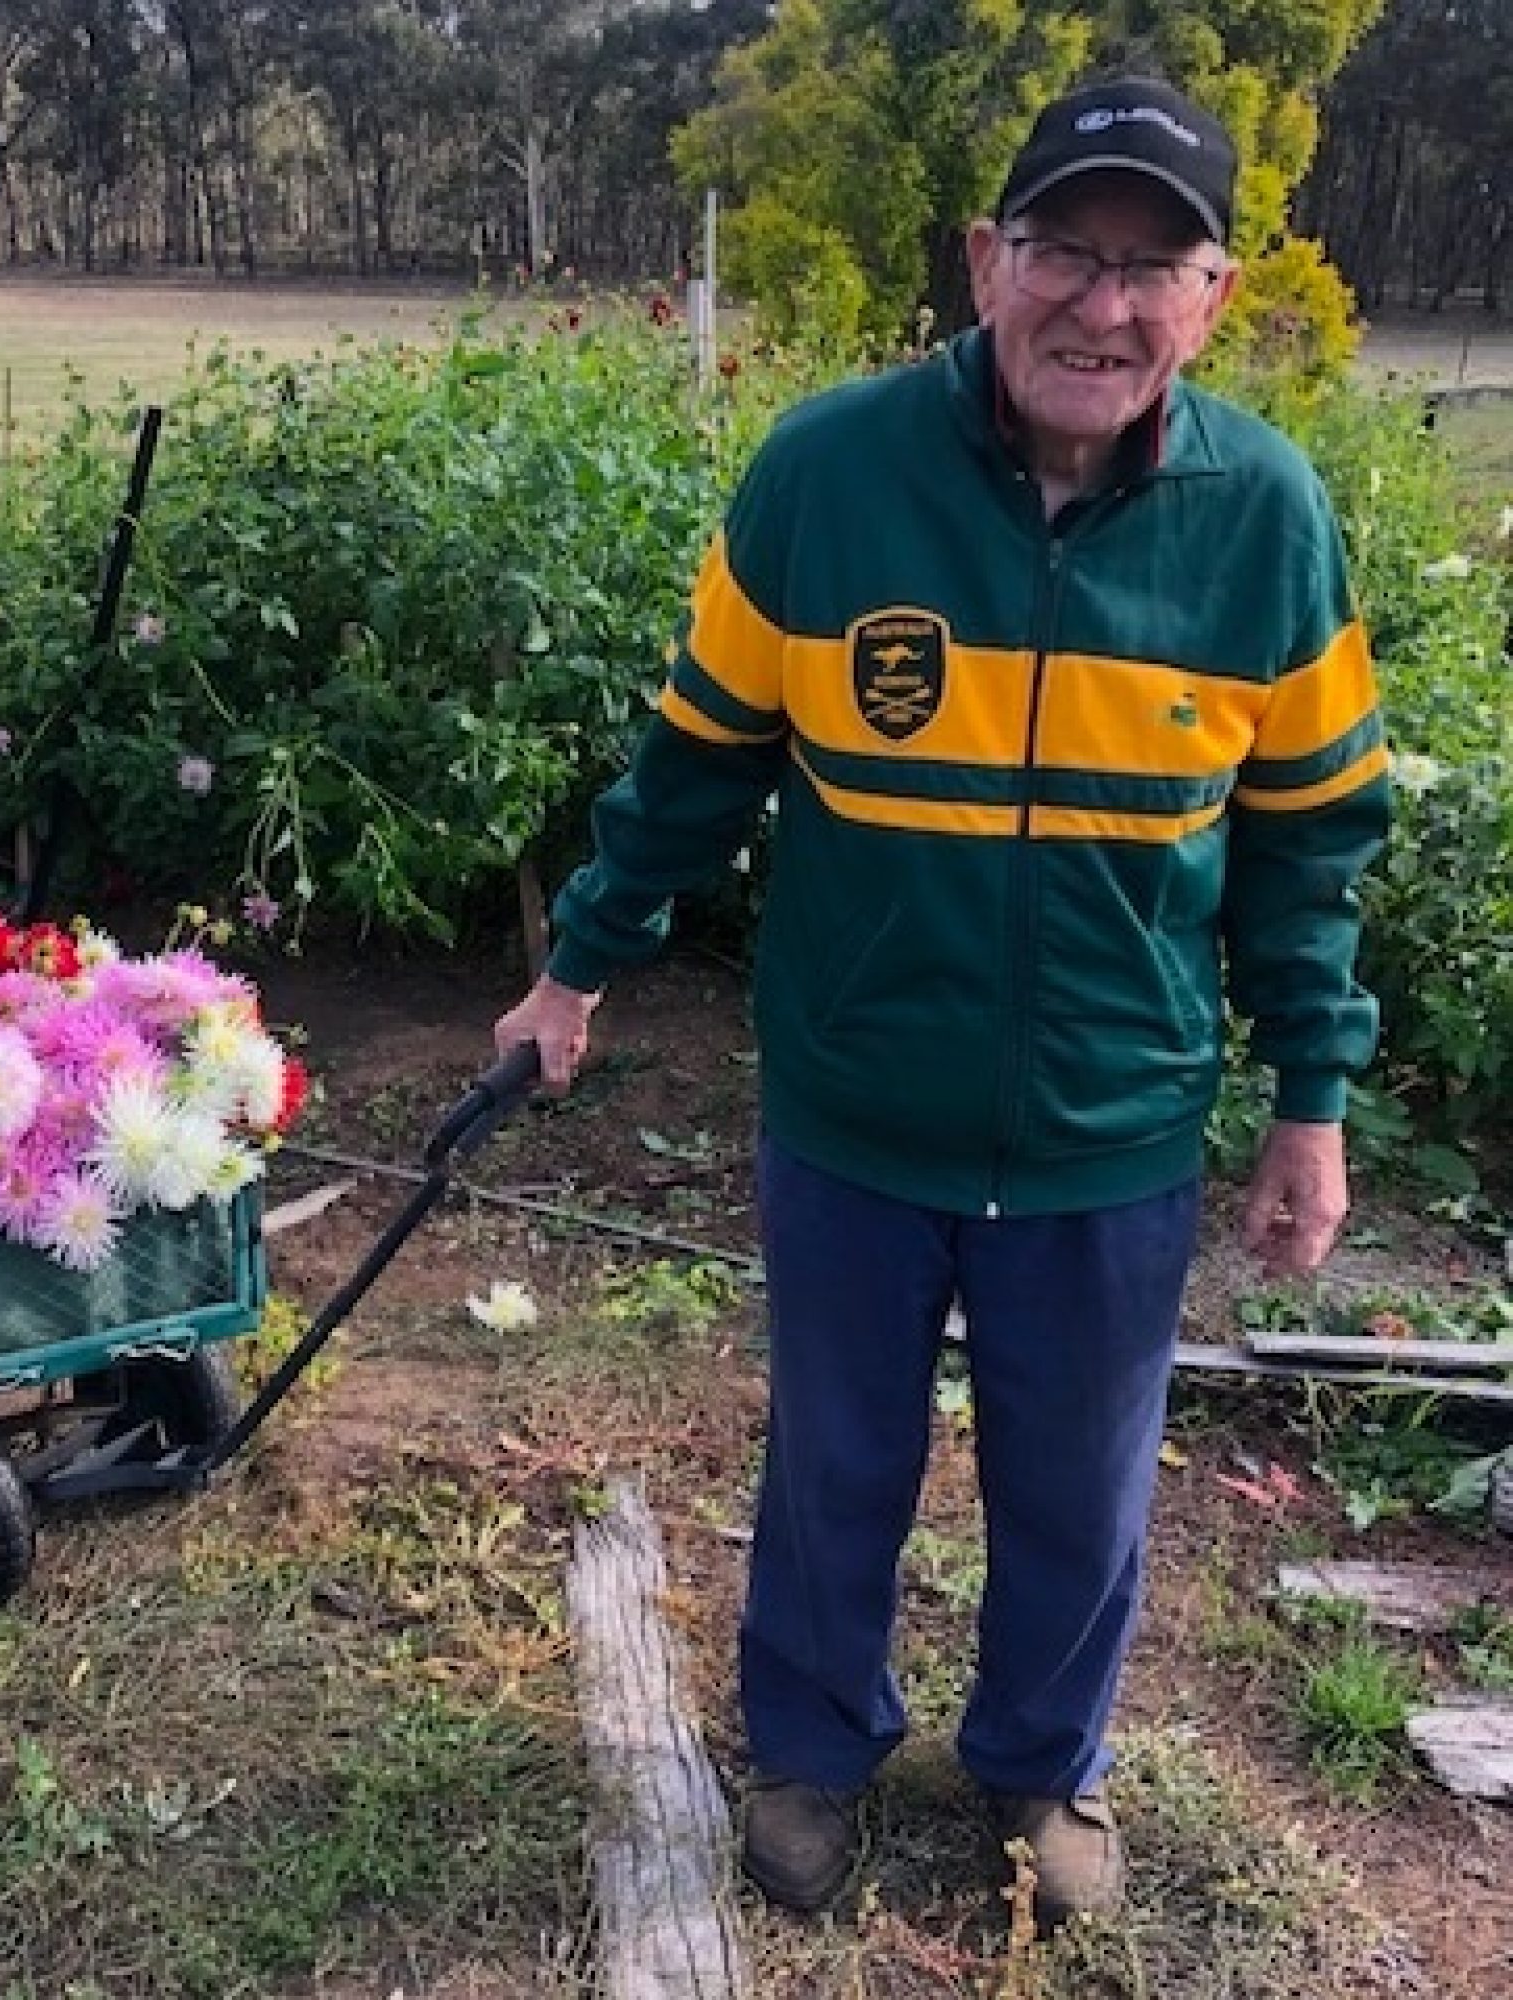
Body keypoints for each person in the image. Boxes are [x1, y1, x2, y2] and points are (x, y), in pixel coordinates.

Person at [493, 74, 1390, 1928]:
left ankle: (1042, 1775)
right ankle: (814, 1750)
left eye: (1159, 266)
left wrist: (1312, 1095)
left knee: (1080, 1493)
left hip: (1110, 1129)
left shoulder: (1267, 519)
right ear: (989, 262)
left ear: (1216, 300)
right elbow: (693, 765)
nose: (1105, 305)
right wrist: (573, 969)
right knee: (838, 1462)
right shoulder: (827, 476)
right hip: (858, 1109)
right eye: (1067, 249)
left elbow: (1312, 845)